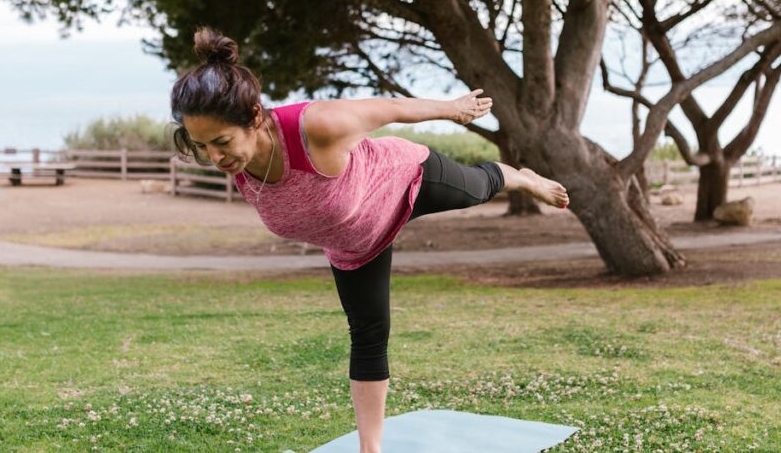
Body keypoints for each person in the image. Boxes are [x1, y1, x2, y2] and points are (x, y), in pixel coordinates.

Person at [170, 28, 569, 453]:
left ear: (253, 117)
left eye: (221, 142)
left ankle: (521, 177)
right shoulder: (240, 163)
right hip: (356, 245)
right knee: (368, 333)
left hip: (405, 180)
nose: (215, 157)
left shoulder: (318, 126)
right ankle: (370, 448)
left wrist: (453, 109)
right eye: (202, 146)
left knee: (479, 187)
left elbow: (392, 108)